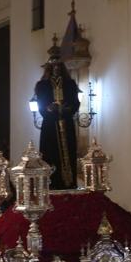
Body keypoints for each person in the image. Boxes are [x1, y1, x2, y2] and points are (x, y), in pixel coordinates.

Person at [33, 43, 80, 189]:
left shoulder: (70, 84)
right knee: (51, 154)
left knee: (69, 153)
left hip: (66, 122)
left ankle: (69, 183)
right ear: (49, 68)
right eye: (54, 67)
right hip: (50, 125)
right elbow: (40, 103)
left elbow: (75, 103)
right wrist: (48, 108)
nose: (57, 69)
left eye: (59, 66)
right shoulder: (42, 85)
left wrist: (68, 108)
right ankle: (51, 185)